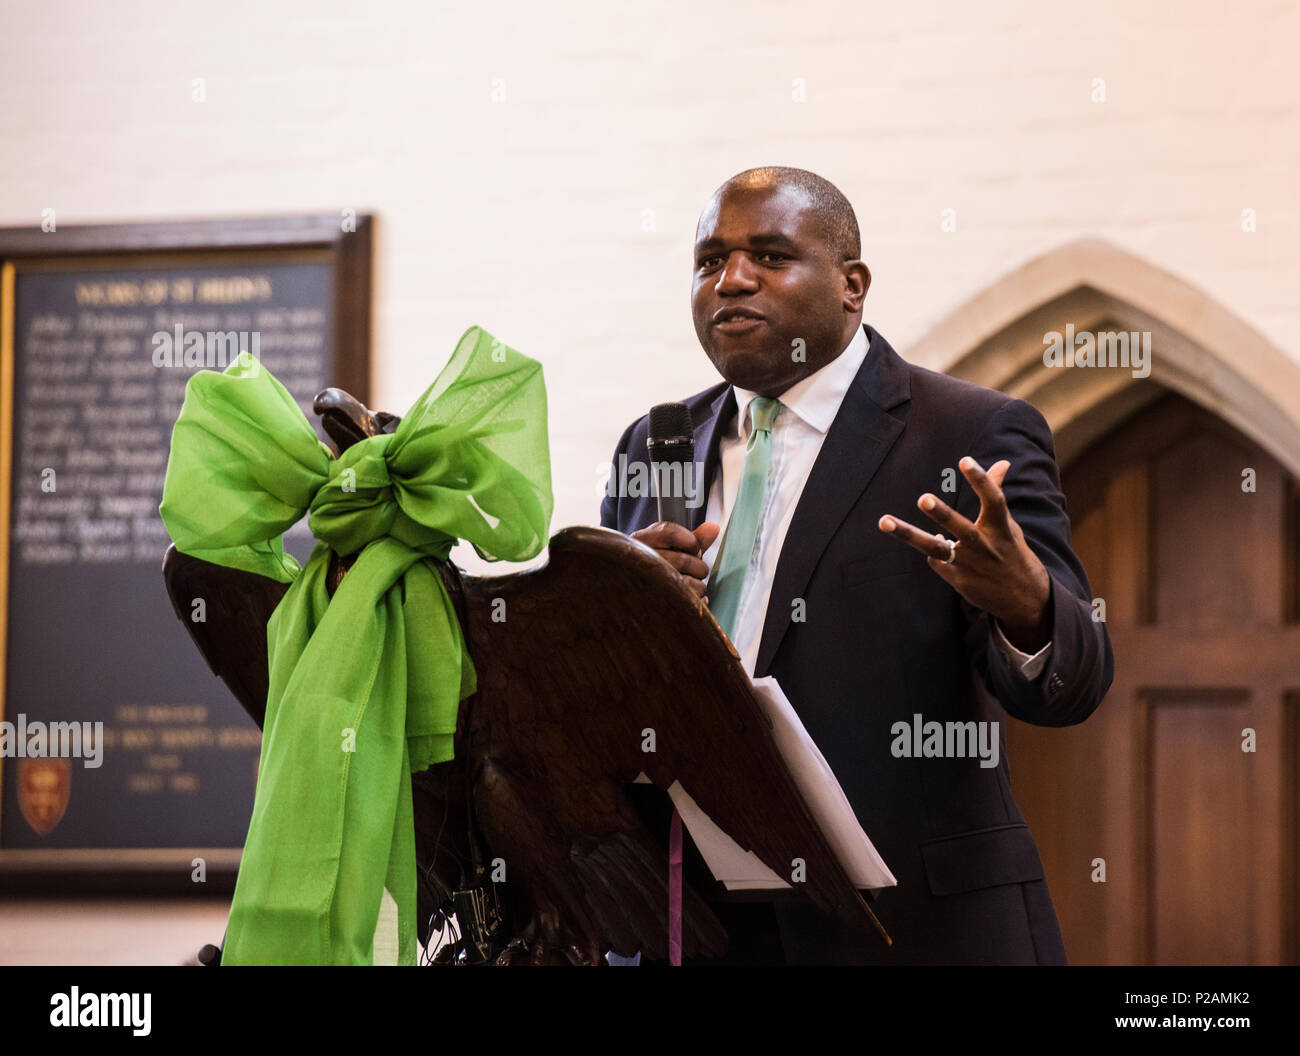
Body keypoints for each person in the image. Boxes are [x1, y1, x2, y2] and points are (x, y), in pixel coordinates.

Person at [598, 166, 1113, 965]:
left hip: (909, 925)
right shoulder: (654, 446)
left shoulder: (966, 433)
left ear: (852, 284)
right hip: (692, 923)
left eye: (769, 256)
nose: (731, 280)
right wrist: (618, 617)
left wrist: (1027, 606)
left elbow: (1070, 685)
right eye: (709, 261)